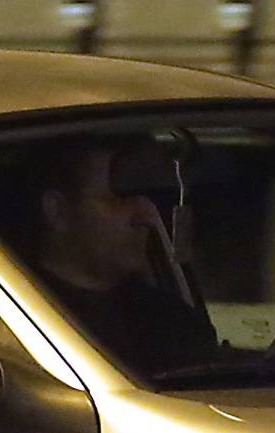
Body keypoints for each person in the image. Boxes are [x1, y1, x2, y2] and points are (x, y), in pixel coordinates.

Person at [23, 141, 218, 377]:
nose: (147, 216)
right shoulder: (17, 324)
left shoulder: (172, 321)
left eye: (148, 198)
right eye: (120, 198)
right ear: (59, 211)